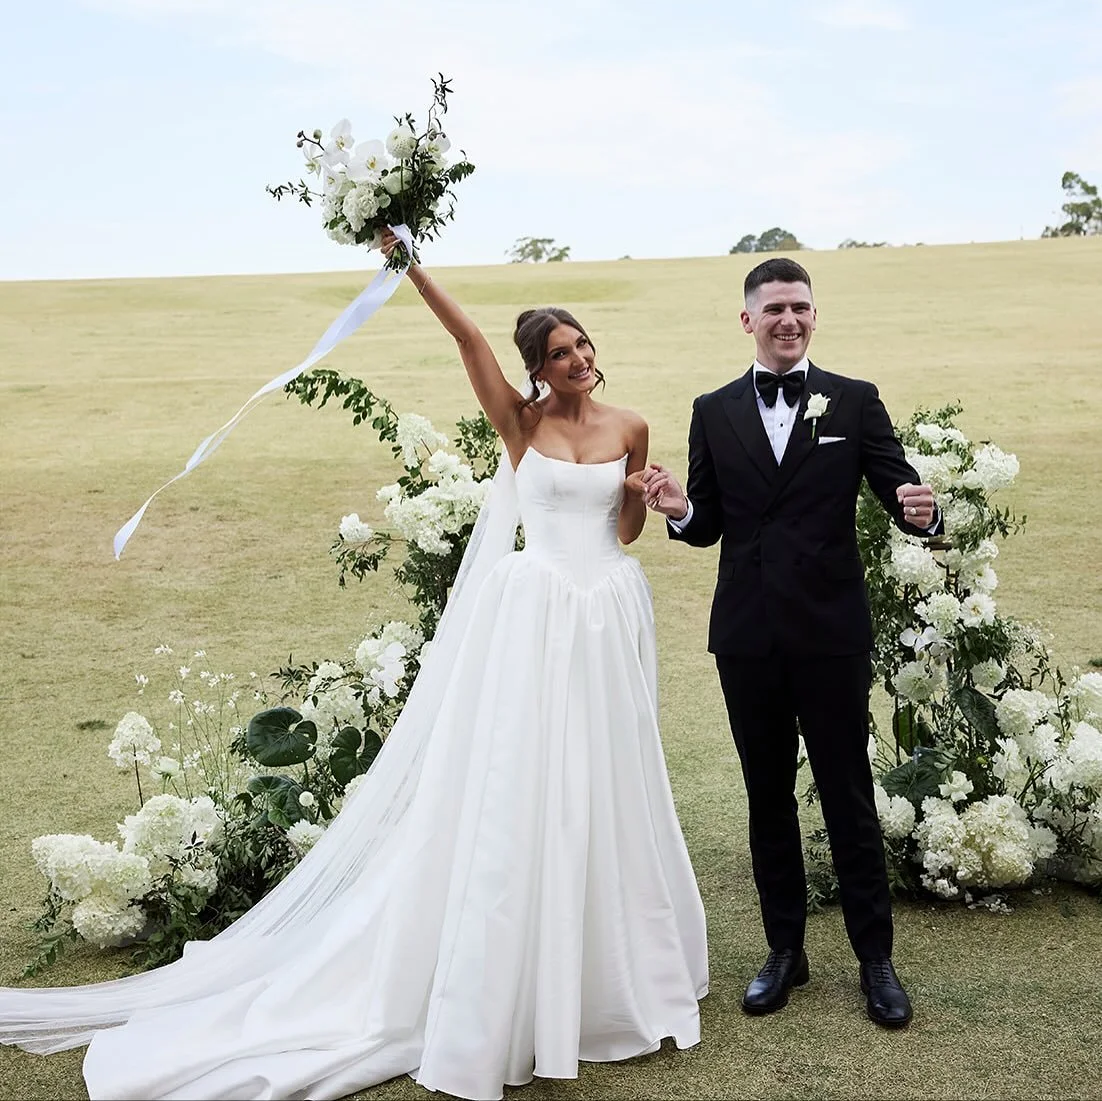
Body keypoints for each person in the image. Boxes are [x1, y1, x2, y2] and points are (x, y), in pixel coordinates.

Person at [0, 236, 707, 1101]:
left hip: (605, 615)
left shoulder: (631, 426)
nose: (578, 360)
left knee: (609, 777)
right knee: (528, 777)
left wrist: (650, 498)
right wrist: (411, 267)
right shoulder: (521, 424)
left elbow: (625, 533)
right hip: (536, 618)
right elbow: (467, 344)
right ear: (536, 369)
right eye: (559, 353)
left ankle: (607, 967)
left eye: (583, 345)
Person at [641, 257, 938, 1031]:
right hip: (747, 637)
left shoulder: (855, 399)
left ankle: (877, 959)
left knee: (849, 795)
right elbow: (707, 523)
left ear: (813, 315)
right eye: (774, 308)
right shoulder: (713, 409)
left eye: (801, 307)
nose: (789, 319)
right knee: (766, 794)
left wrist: (922, 513)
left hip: (831, 635)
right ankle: (784, 951)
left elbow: (899, 492)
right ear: (748, 320)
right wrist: (678, 508)